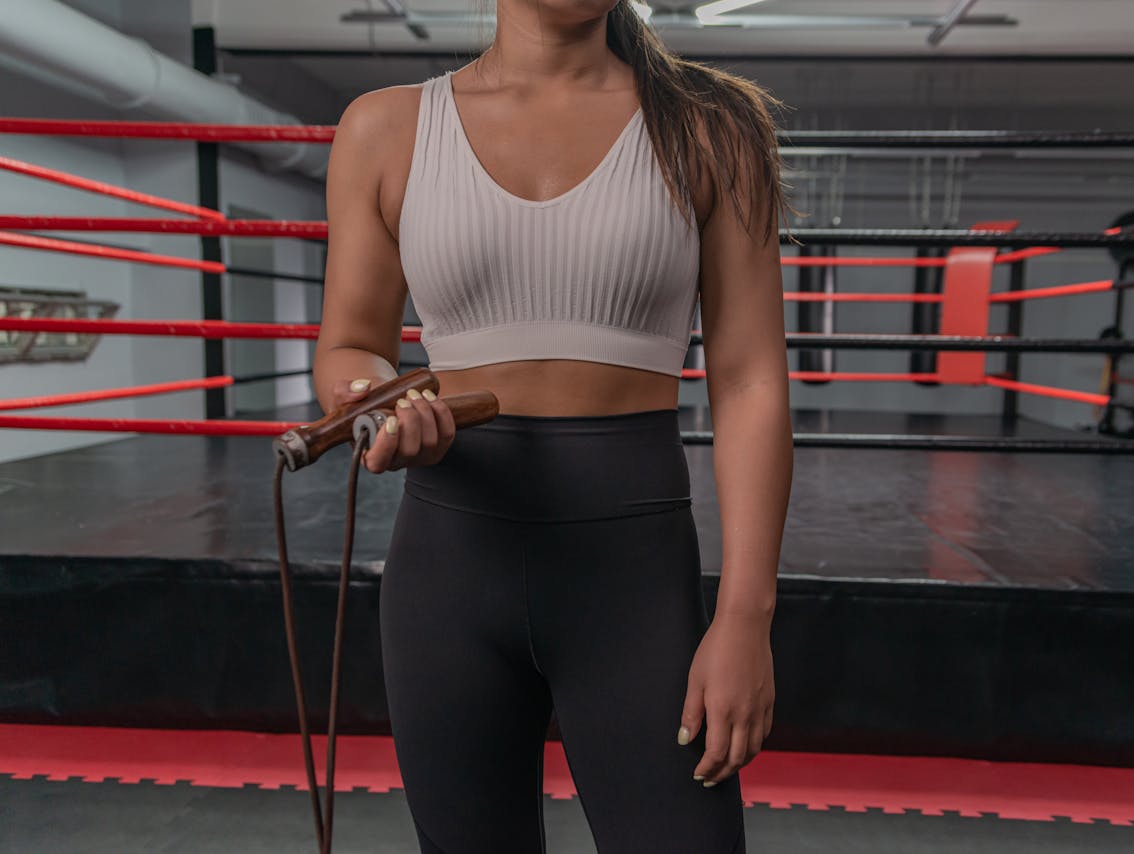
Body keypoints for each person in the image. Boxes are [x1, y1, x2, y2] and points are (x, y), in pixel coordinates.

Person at [312, 1, 793, 851]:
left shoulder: (713, 127)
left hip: (634, 580)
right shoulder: (385, 127)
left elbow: (750, 378)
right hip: (449, 570)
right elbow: (353, 342)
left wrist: (746, 616)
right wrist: (376, 402)